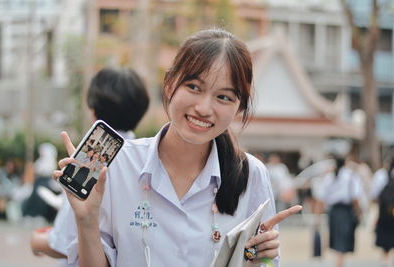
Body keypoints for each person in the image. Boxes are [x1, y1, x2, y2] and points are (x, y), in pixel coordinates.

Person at [54, 29, 301, 267]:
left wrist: (257, 259)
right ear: (170, 84)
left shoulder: (251, 175)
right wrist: (86, 221)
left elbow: (267, 263)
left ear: (239, 107)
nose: (204, 108)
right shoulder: (117, 165)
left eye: (223, 97)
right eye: (194, 87)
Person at [30, 67, 150, 264]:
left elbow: (63, 244)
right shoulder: (145, 162)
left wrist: (36, 242)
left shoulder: (89, 163)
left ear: (93, 110)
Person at [321, 156, 363, 267]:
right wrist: (359, 211)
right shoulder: (350, 175)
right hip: (346, 210)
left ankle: (338, 261)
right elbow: (356, 196)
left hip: (334, 210)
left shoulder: (329, 176)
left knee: (337, 235)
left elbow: (323, 196)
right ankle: (339, 262)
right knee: (343, 236)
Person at [371, 158, 394, 267]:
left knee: (385, 238)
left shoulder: (380, 174)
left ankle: (385, 260)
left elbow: (374, 195)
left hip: (385, 211)